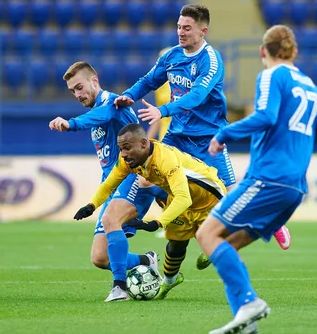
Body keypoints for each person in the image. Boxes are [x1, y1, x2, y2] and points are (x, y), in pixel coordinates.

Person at [195, 25, 317, 334]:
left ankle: (248, 303)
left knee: (206, 235)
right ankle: (246, 320)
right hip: (294, 188)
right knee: (228, 243)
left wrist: (224, 133)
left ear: (263, 53)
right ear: (293, 51)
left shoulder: (271, 76)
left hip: (268, 179)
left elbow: (267, 117)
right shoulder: (311, 88)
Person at [113, 4, 292, 253]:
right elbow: (149, 80)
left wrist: (162, 111)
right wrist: (129, 95)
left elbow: (197, 96)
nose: (181, 32)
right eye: (178, 27)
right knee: (144, 177)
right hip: (177, 136)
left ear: (203, 31)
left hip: (209, 140)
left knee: (230, 197)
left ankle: (272, 221)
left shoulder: (211, 60)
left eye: (187, 28)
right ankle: (130, 225)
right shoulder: (171, 56)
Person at [48, 61, 167, 302]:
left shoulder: (113, 102)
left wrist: (71, 124)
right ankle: (147, 260)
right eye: (73, 91)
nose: (78, 94)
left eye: (80, 87)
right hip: (113, 183)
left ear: (94, 81)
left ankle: (120, 288)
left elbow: (100, 115)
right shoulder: (98, 108)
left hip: (133, 177)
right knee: (100, 258)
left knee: (111, 219)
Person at [73, 123, 227, 300]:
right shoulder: (129, 160)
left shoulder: (165, 158)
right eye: (121, 149)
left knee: (212, 241)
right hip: (180, 199)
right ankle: (169, 282)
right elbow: (109, 185)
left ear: (144, 144)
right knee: (176, 244)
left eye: (127, 148)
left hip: (210, 199)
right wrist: (91, 206)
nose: (123, 154)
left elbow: (184, 198)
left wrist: (157, 223)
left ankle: (216, 246)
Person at [146, 46, 173, 240]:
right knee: (157, 183)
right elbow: (157, 113)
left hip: (179, 139)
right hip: (164, 140)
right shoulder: (161, 85)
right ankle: (171, 221)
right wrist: (147, 138)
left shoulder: (182, 82)